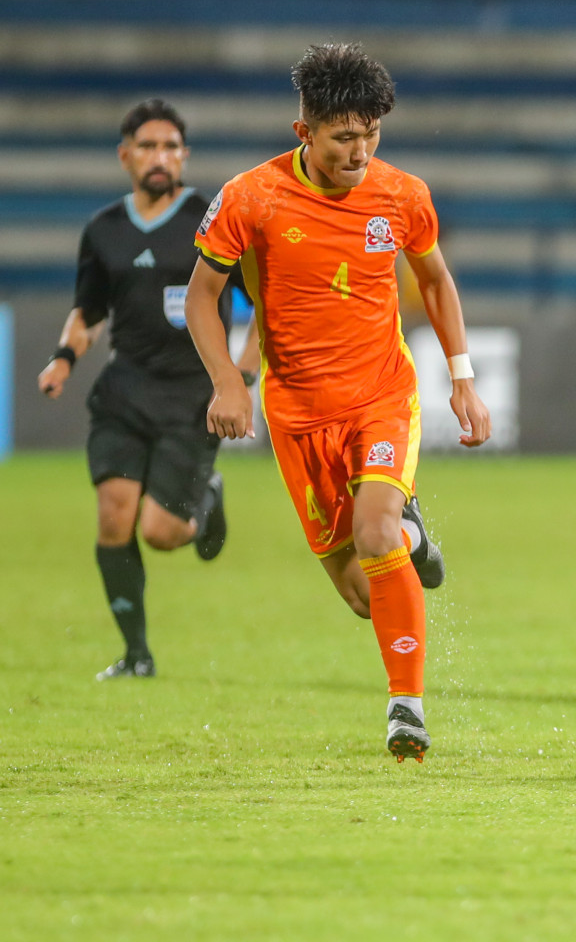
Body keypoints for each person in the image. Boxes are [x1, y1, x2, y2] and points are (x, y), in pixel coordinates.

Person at [184, 43, 492, 763]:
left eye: (372, 134)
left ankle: (406, 709)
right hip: (298, 413)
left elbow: (438, 281)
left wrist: (463, 376)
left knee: (375, 529)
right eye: (344, 137)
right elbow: (202, 295)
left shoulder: (402, 195)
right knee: (362, 591)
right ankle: (415, 540)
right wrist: (231, 379)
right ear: (305, 132)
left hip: (382, 394)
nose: (361, 151)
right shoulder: (250, 198)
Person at [37, 99, 257, 681]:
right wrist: (63, 359)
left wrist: (241, 376)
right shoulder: (103, 230)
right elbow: (87, 310)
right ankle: (136, 654)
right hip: (125, 389)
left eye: (171, 147)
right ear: (125, 155)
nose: (160, 158)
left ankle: (205, 497)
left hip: (193, 394)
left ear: (184, 156)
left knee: (161, 534)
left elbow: (267, 305)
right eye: (148, 146)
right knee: (114, 517)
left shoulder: (214, 220)